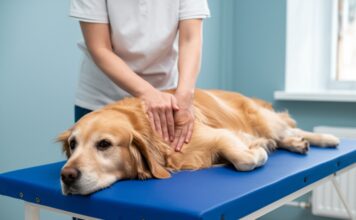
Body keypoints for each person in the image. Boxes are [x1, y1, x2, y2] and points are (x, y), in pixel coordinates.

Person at [69, 0, 210, 152]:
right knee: (91, 172)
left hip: (164, 106)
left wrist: (184, 96)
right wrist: (148, 93)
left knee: (171, 170)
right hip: (102, 100)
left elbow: (190, 40)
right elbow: (100, 48)